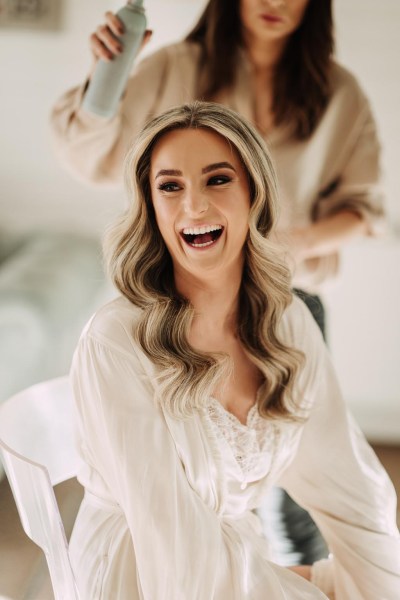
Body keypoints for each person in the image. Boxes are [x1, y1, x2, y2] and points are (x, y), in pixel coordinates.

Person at [51, 0, 385, 565]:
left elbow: (365, 208)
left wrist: (282, 245)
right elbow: (93, 157)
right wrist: (100, 82)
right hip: (174, 301)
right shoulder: (174, 68)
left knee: (297, 502)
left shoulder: (339, 93)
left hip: (287, 297)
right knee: (182, 484)